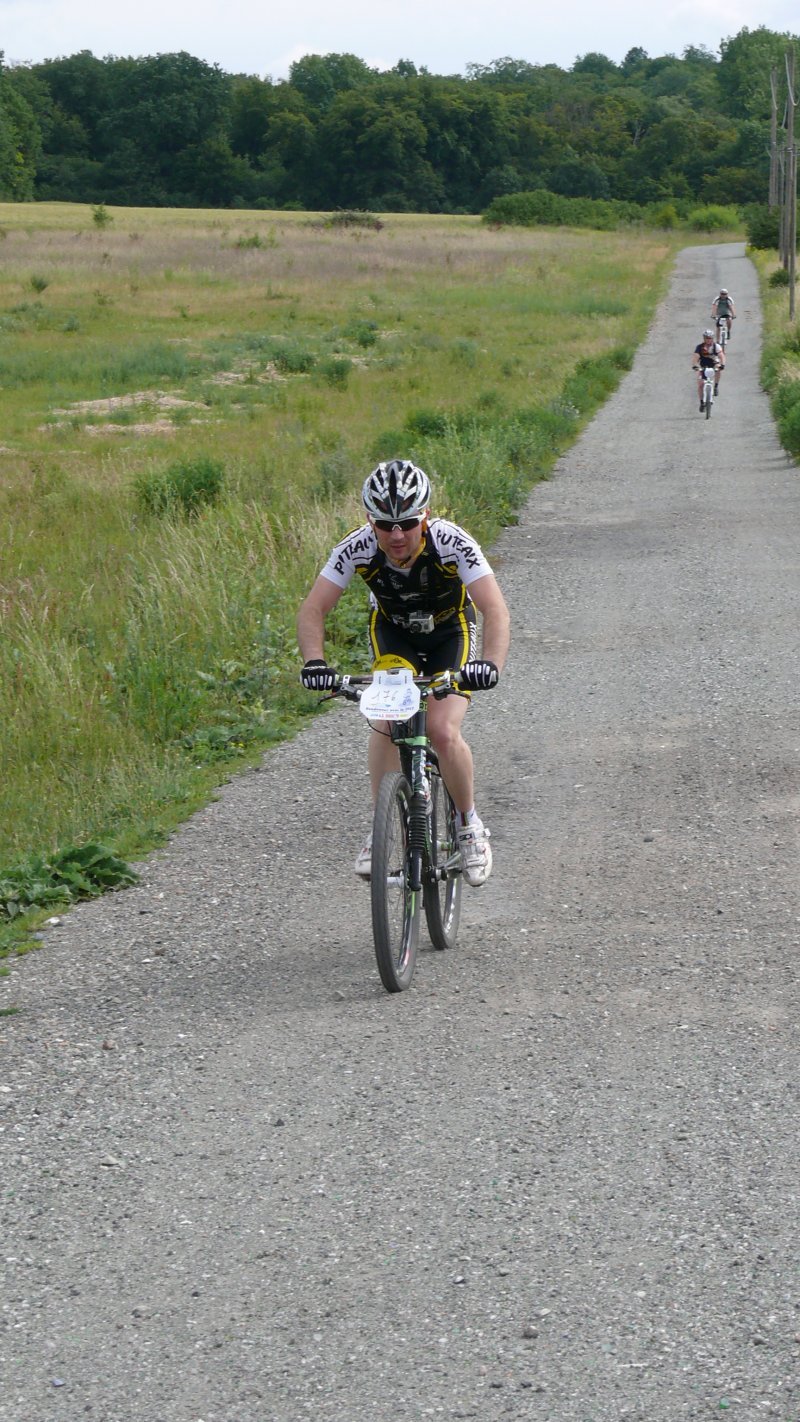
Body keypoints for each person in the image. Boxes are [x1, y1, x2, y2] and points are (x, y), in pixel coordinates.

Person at [297, 458, 511, 888]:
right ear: (369, 521)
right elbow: (313, 609)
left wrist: (489, 665)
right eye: (384, 524)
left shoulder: (451, 541)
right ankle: (381, 832)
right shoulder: (356, 547)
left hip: (450, 632)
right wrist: (314, 662)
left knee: (442, 730)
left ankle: (469, 825)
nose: (397, 535)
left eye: (408, 523)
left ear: (425, 515)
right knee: (385, 720)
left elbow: (494, 608)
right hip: (394, 634)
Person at [692, 329, 725, 407]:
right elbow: (696, 357)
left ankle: (716, 386)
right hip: (703, 366)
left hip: (713, 365)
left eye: (710, 338)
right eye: (707, 338)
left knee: (718, 368)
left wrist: (722, 364)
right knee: (700, 384)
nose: (708, 340)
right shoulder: (700, 347)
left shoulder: (716, 346)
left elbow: (721, 356)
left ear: (712, 338)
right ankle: (701, 402)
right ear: (704, 338)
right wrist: (695, 365)